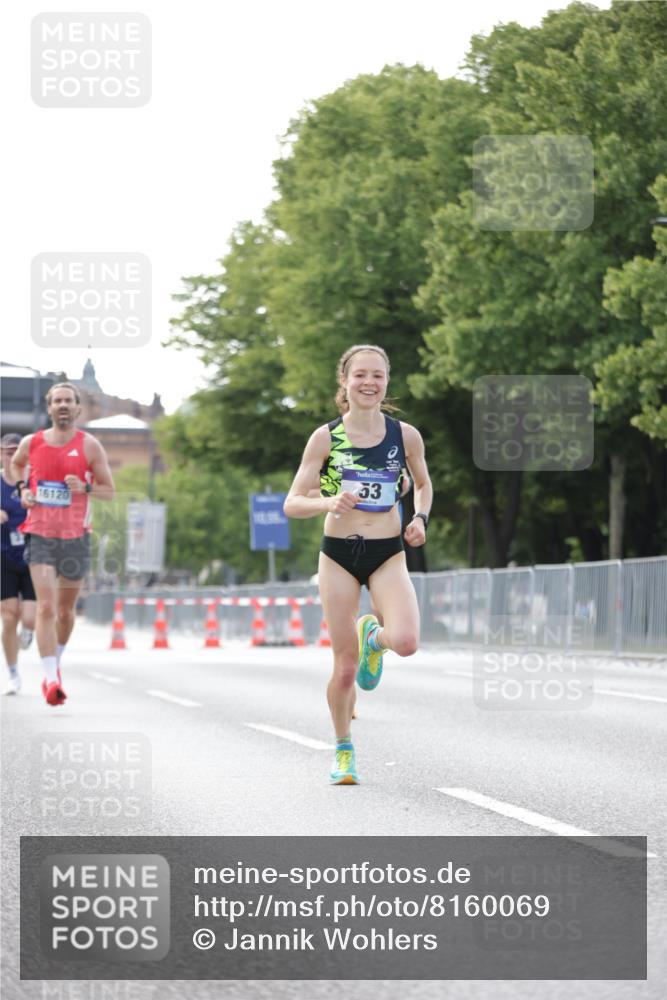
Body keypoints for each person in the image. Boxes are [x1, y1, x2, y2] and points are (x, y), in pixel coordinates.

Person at [284, 345, 432, 784]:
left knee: (406, 641)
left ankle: (375, 639)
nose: (369, 383)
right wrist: (328, 501)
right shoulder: (326, 437)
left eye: (378, 376)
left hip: (387, 553)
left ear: (387, 382)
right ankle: (343, 749)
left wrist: (420, 518)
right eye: (361, 375)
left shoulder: (404, 436)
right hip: (339, 555)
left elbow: (423, 484)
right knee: (345, 667)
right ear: (345, 382)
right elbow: (293, 502)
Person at [10, 383, 115, 706]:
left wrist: (85, 487)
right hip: (40, 533)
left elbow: (109, 491)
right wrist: (23, 489)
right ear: (50, 408)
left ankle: (55, 661)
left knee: (66, 612)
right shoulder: (32, 442)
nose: (63, 405)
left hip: (75, 537)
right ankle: (51, 679)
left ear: (78, 408)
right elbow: (16, 464)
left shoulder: (90, 446)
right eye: (58, 401)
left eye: (69, 400)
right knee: (46, 607)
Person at [1, 433, 36, 694]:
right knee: (9, 615)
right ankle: (13, 673)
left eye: (17, 451)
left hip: (32, 555)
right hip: (3, 555)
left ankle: (29, 632)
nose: (12, 455)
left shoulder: (33, 482)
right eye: (8, 451)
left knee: (29, 618)